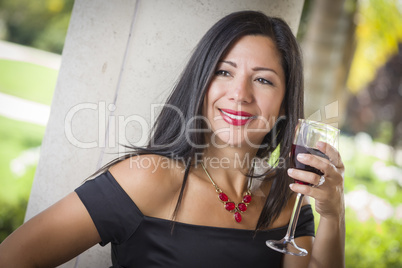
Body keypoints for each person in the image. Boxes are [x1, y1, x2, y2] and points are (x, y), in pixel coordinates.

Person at [0, 10, 345, 267]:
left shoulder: (286, 199)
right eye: (223, 72)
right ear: (201, 81)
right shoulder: (147, 178)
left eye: (264, 80)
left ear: (286, 100)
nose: (240, 93)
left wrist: (331, 211)